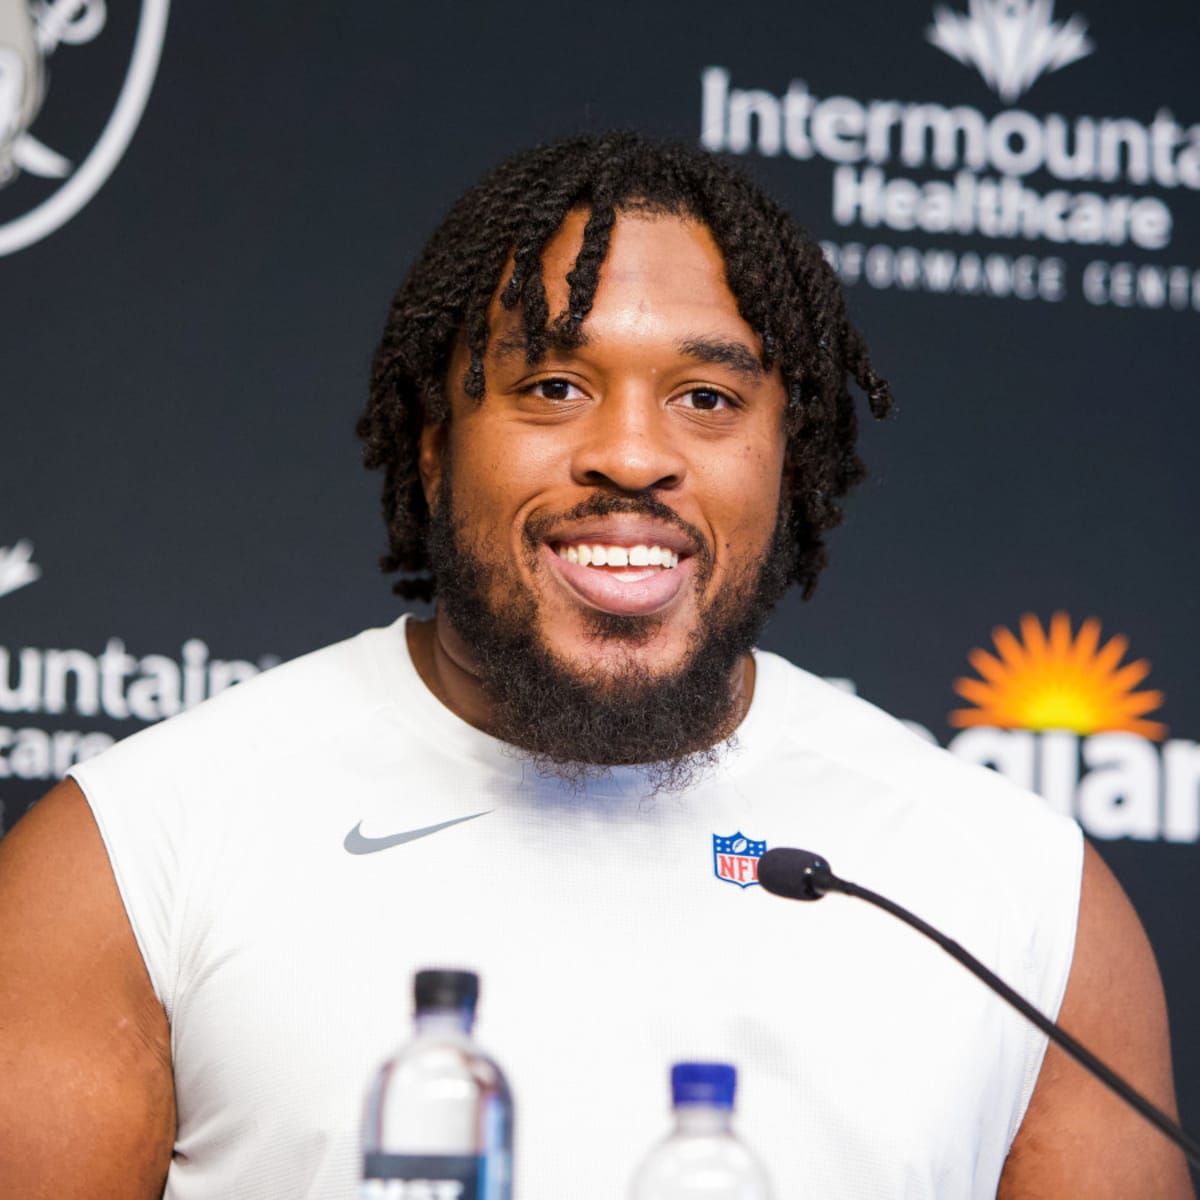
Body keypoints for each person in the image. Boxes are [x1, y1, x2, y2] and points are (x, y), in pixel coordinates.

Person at [0, 132, 1191, 1199]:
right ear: (432, 450)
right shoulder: (130, 854)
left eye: (708, 397)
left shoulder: (1019, 901)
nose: (631, 455)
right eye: (554, 387)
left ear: (793, 458)